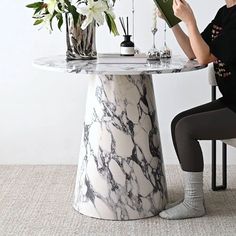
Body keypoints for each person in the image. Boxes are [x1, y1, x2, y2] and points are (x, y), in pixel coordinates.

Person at [156, 0, 236, 220]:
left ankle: (194, 204)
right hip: (231, 100)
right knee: (178, 122)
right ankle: (192, 197)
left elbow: (204, 58)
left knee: (185, 128)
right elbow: (194, 51)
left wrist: (190, 19)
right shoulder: (224, 12)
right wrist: (174, 22)